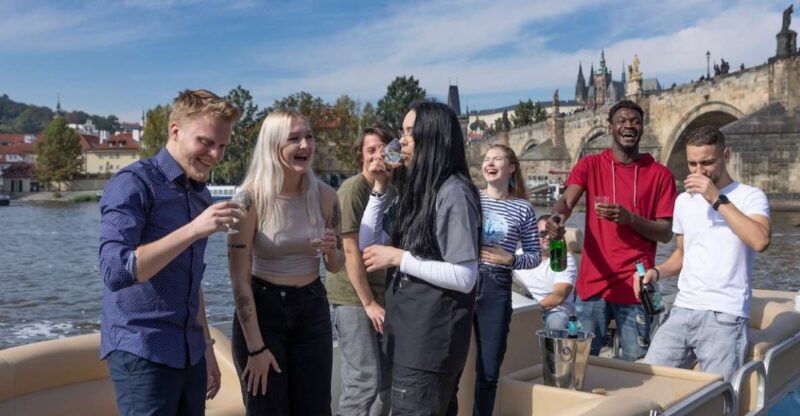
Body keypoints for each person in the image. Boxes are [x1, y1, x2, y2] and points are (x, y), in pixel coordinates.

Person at [99, 89, 241, 415]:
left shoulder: (201, 195)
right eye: (205, 142)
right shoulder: (133, 183)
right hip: (142, 349)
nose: (215, 154)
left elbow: (192, 280)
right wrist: (194, 229)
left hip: (189, 351)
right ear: (174, 131)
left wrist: (205, 345)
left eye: (222, 146)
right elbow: (115, 271)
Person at [359, 101, 481, 415]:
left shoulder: (453, 192)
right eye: (402, 132)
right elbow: (369, 243)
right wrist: (380, 186)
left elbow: (466, 277)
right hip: (405, 339)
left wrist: (401, 258)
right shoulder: (418, 189)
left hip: (428, 345)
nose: (401, 142)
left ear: (433, 136)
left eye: (410, 133)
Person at [227, 109, 345, 415]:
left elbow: (335, 265)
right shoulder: (248, 200)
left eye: (309, 136)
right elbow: (239, 281)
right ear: (273, 145)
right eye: (294, 139)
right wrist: (256, 348)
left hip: (312, 309)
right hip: (264, 313)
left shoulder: (327, 197)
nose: (305, 145)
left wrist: (331, 250)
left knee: (317, 409)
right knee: (267, 408)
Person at [545, 100, 678, 361]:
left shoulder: (660, 175)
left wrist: (630, 218)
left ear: (642, 128)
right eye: (622, 121)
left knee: (637, 364)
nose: (629, 125)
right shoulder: (590, 165)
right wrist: (556, 219)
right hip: (593, 285)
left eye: (635, 121)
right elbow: (566, 202)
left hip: (636, 287)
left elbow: (665, 233)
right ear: (610, 128)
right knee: (580, 361)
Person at [640, 126, 770, 382]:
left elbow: (760, 241)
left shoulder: (750, 196)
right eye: (692, 164)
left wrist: (716, 199)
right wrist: (657, 272)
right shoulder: (683, 201)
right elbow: (682, 253)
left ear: (726, 156)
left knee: (717, 397)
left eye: (707, 163)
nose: (699, 171)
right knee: (650, 382)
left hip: (725, 315)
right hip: (682, 309)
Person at [325, 125, 395, 416]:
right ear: (360, 156)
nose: (377, 155)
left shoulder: (392, 189)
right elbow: (350, 250)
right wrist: (368, 303)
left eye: (383, 148)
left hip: (381, 293)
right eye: (371, 150)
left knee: (387, 383)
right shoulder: (353, 189)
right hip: (354, 297)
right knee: (364, 380)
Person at [470, 144, 541, 415]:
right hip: (465, 282)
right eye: (486, 159)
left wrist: (510, 260)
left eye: (497, 159)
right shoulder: (471, 199)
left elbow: (535, 255)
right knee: (451, 363)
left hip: (497, 286)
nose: (490, 162)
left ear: (511, 168)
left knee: (488, 370)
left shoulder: (522, 208)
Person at [514, 214, 576, 331]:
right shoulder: (519, 255)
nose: (547, 237)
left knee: (556, 323)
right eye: (542, 234)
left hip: (553, 311)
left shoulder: (565, 258)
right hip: (523, 309)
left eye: (551, 233)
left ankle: (554, 349)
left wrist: (531, 310)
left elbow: (559, 296)